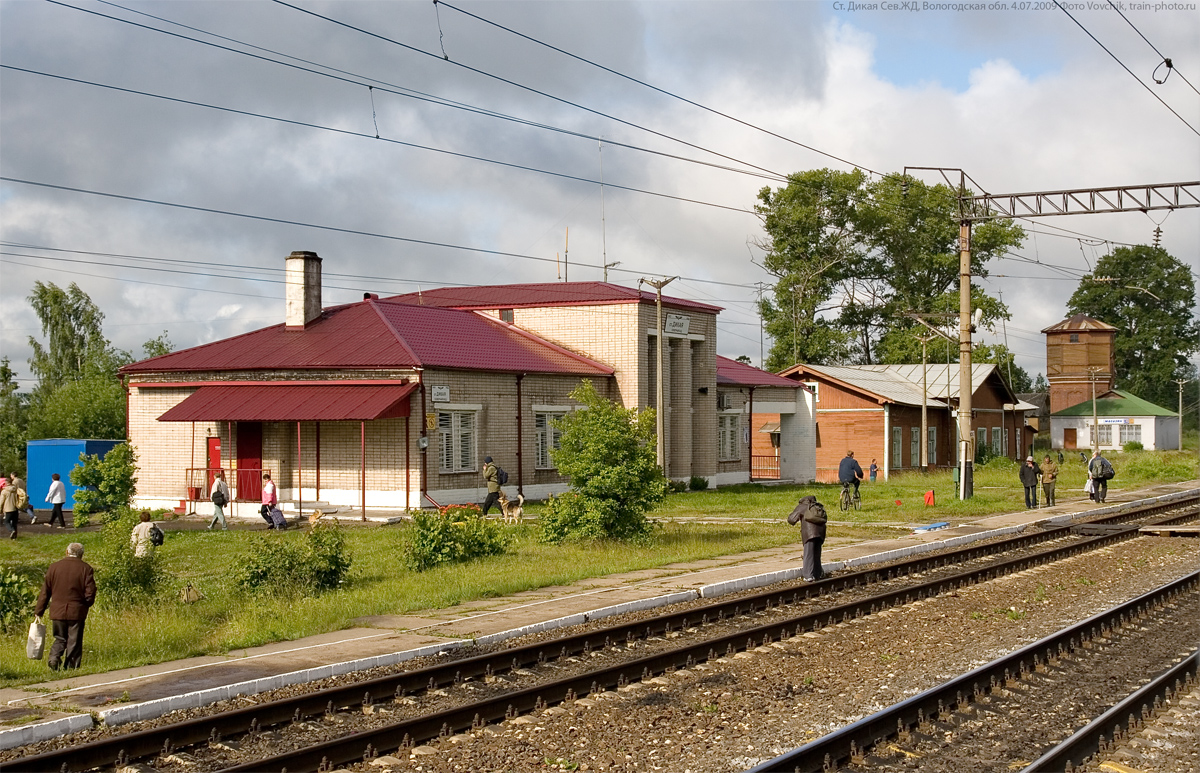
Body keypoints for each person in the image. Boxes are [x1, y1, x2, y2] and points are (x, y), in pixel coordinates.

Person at [34, 542, 96, 670]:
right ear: (81, 554)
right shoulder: (86, 568)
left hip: (57, 610)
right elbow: (90, 592)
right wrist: (86, 604)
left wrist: (39, 610)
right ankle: (71, 667)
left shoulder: (54, 567)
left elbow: (45, 591)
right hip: (76, 610)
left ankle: (54, 657)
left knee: (60, 638)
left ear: (66, 552)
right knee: (74, 640)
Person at [787, 495, 828, 581]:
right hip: (820, 534)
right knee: (816, 554)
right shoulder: (818, 507)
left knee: (808, 555)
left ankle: (808, 575)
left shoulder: (802, 506)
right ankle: (817, 574)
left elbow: (791, 519)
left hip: (809, 534)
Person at [1, 474, 19, 539]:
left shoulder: (4, 491)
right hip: (15, 508)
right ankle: (15, 537)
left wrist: (0, 509)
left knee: (6, 521)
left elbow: (1, 501)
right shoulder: (15, 489)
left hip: (8, 509)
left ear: (6, 483)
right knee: (14, 523)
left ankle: (12, 530)